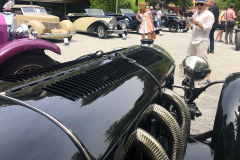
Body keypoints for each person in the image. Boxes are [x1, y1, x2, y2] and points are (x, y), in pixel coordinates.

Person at [186, 0, 214, 84]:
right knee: (189, 57)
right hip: (193, 39)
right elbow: (190, 26)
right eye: (197, 4)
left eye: (201, 4)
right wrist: (187, 22)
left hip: (202, 40)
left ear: (205, 5)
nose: (199, 5)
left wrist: (197, 23)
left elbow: (208, 28)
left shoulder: (209, 14)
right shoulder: (195, 14)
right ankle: (190, 75)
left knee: (203, 59)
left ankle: (207, 78)